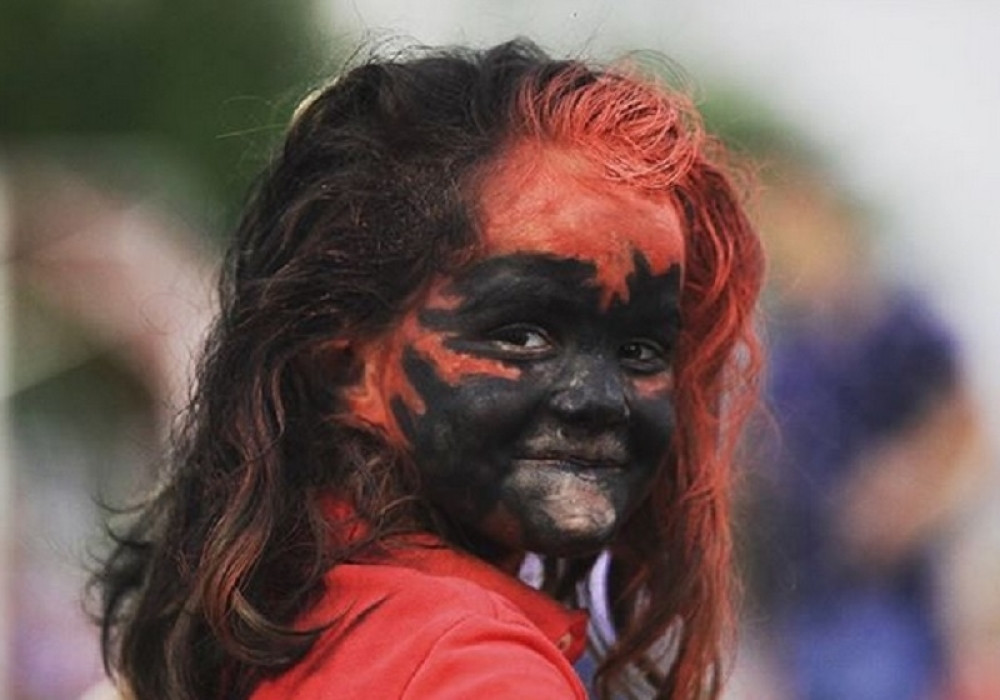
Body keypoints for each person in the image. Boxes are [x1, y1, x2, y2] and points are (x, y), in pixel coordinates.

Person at [93, 39, 764, 699]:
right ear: (345, 363)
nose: (601, 399)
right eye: (523, 334)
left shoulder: (263, 619)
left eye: (642, 350)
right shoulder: (473, 670)